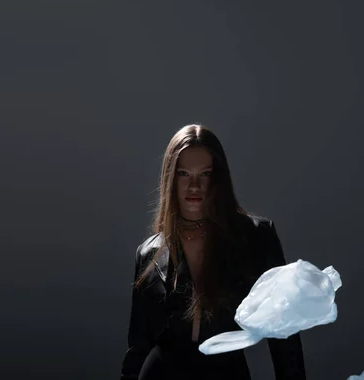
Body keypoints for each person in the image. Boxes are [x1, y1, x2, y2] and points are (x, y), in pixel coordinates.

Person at [120, 124, 307, 380]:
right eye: (184, 173)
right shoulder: (149, 252)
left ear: (219, 178)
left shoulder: (255, 236)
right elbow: (137, 348)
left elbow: (285, 338)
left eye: (205, 174)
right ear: (170, 179)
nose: (194, 185)